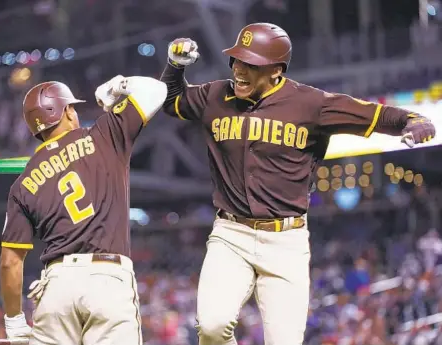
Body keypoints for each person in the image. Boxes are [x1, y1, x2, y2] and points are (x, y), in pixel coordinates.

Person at [159, 22, 436, 345]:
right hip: (230, 235)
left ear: (276, 70)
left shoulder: (311, 104)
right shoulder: (215, 95)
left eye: (251, 64)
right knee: (212, 326)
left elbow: (372, 114)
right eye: (236, 60)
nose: (239, 70)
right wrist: (175, 66)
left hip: (285, 242)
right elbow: (172, 101)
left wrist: (415, 119)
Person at [0, 75, 167, 345]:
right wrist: (116, 87)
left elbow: (10, 261)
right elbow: (157, 89)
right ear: (66, 111)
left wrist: (14, 321)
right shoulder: (103, 135)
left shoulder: (22, 185)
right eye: (72, 107)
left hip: (55, 289)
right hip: (107, 280)